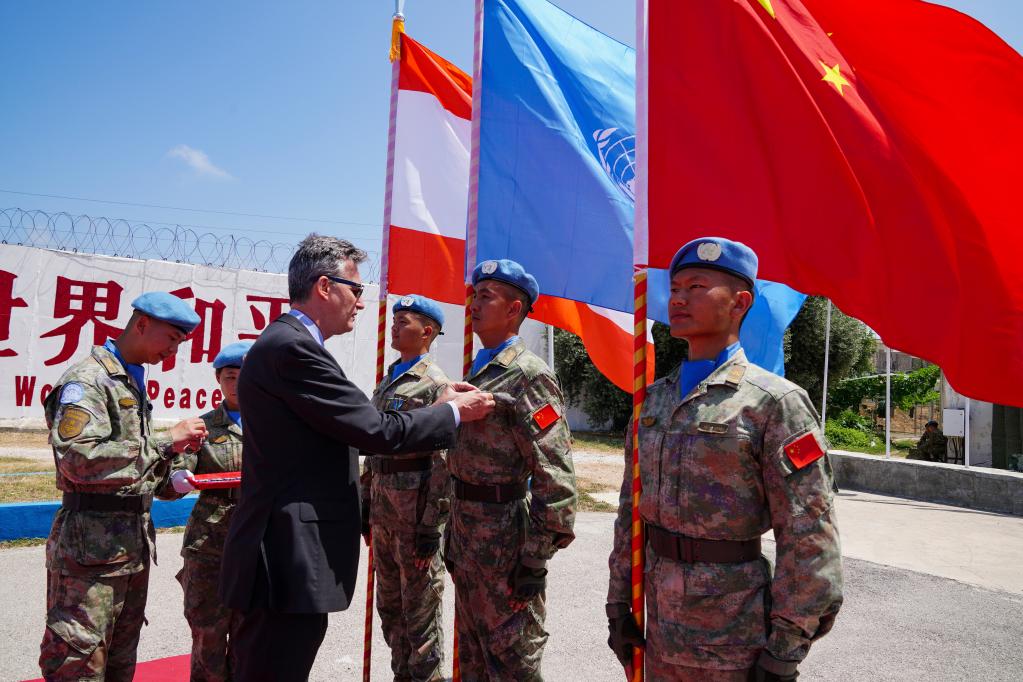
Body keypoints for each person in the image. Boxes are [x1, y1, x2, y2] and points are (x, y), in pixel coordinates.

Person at [219, 235, 495, 682]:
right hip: (285, 555)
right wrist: (452, 413)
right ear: (325, 287)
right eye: (357, 290)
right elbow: (375, 430)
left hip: (285, 552)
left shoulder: (288, 344)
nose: (363, 305)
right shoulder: (294, 349)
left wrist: (437, 403)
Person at [606, 238, 843, 681]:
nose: (678, 297)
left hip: (734, 637)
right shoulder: (652, 401)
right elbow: (629, 512)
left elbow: (809, 532)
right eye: (675, 287)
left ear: (740, 302)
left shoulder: (774, 403)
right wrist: (619, 601)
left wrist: (786, 648)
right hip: (657, 623)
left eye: (696, 286)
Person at [39, 292, 209, 681]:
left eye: (180, 343)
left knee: (118, 662)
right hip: (89, 554)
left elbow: (133, 467)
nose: (173, 350)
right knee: (78, 662)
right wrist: (166, 441)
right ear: (142, 324)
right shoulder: (89, 380)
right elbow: (78, 459)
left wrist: (174, 476)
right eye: (171, 338)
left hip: (127, 550)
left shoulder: (130, 381)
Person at [445, 259, 576, 681]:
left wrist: (535, 559)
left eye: (487, 296)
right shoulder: (478, 371)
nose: (474, 303)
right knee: (473, 658)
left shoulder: (528, 375)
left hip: (505, 542)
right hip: (467, 536)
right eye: (474, 294)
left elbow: (555, 474)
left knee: (512, 659)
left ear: (515, 308)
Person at [361, 295, 451, 682]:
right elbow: (372, 445)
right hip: (383, 515)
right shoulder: (388, 380)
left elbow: (444, 461)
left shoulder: (435, 384)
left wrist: (432, 525)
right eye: (394, 319)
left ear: (427, 331)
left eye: (404, 321)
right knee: (391, 613)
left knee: (421, 620)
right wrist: (364, 502)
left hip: (414, 521)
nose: (394, 326)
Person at [167, 340, 253, 681]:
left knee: (251, 637)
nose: (237, 384)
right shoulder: (200, 427)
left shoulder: (274, 426)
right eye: (230, 376)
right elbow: (173, 479)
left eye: (245, 376)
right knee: (208, 635)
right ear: (218, 380)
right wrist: (177, 477)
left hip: (257, 544)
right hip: (209, 545)